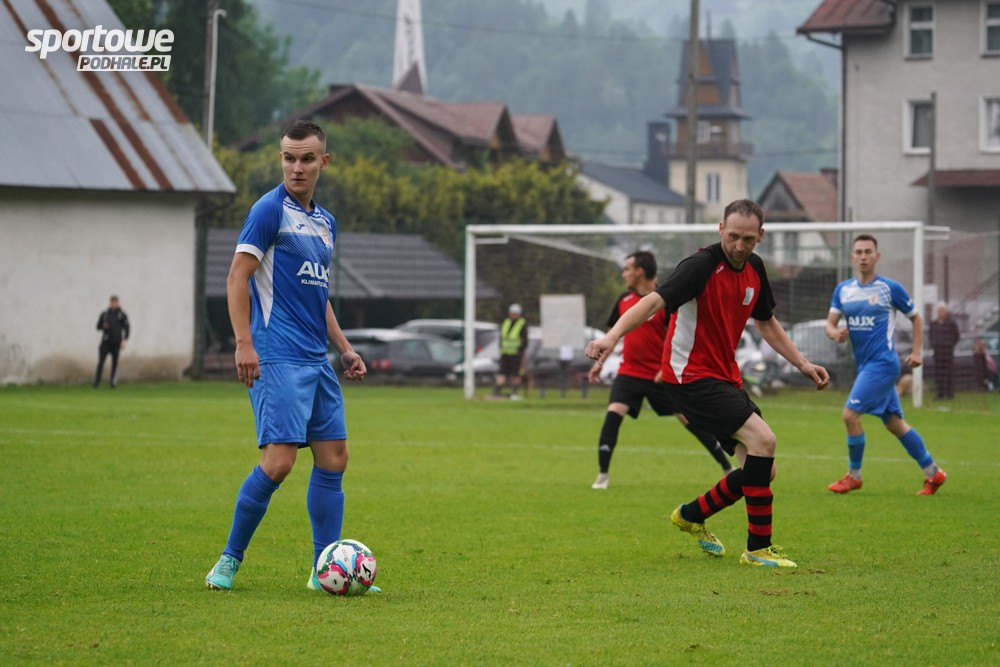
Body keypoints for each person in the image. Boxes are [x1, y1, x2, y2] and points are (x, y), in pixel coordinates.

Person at [586, 199, 829, 569]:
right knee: (764, 441)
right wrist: (611, 337)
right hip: (689, 376)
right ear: (720, 230)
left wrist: (803, 364)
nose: (739, 246)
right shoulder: (700, 265)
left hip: (724, 376)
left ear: (760, 236)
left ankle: (691, 514)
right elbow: (652, 303)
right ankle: (758, 549)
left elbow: (766, 322)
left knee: (763, 469)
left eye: (748, 239)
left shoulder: (755, 268)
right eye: (733, 236)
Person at [205, 120, 370, 592]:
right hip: (276, 356)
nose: (297, 167)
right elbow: (236, 277)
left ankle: (324, 571)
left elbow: (319, 297)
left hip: (316, 359)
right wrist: (244, 343)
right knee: (278, 462)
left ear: (324, 162)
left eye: (307, 158)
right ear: (281, 159)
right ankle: (228, 562)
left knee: (334, 458)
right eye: (289, 158)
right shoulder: (268, 211)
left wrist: (344, 349)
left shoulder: (326, 223)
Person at [588, 251, 733, 490]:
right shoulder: (624, 299)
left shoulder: (667, 299)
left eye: (627, 269)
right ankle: (602, 476)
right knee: (613, 415)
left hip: (661, 376)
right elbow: (614, 334)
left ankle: (727, 468)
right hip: (630, 373)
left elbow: (679, 337)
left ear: (639, 272)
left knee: (691, 421)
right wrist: (599, 362)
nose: (624, 274)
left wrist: (666, 367)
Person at [825, 234, 947, 496]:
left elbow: (916, 318)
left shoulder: (889, 288)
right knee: (894, 423)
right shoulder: (843, 290)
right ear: (852, 257)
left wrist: (917, 352)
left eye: (868, 252)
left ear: (877, 256)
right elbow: (830, 324)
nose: (863, 256)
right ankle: (933, 472)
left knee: (849, 415)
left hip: (882, 364)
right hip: (865, 366)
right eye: (859, 252)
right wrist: (835, 334)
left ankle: (854, 476)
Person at [493, 303, 528, 400]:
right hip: (505, 353)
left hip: (516, 354)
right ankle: (497, 392)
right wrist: (501, 347)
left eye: (515, 314)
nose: (513, 315)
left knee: (515, 374)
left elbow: (524, 340)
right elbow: (502, 337)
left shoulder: (522, 324)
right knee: (502, 373)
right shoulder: (506, 322)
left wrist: (520, 350)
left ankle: (514, 392)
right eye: (512, 313)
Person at [93, 295, 129, 388]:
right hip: (105, 342)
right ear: (110, 303)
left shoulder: (121, 315)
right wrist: (103, 326)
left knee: (115, 363)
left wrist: (124, 340)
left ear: (118, 303)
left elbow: (126, 327)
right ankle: (96, 382)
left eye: (115, 302)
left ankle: (113, 382)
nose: (114, 304)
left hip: (116, 342)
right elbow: (98, 326)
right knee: (101, 362)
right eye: (112, 302)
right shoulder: (105, 314)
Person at [928, 302, 960, 400]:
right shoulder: (933, 324)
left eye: (942, 311)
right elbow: (930, 336)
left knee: (949, 372)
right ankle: (940, 394)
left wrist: (949, 344)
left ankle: (949, 394)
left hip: (948, 352)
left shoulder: (951, 323)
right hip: (938, 353)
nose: (941, 313)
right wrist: (934, 344)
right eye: (939, 311)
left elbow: (957, 336)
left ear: (946, 312)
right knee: (938, 373)